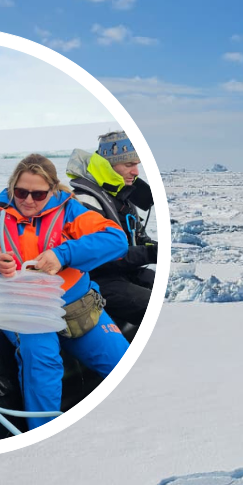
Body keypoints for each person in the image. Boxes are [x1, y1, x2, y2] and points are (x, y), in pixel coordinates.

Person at [0, 153, 129, 429]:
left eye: (38, 194)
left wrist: (63, 254)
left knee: (123, 362)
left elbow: (116, 239)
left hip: (77, 309)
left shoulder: (70, 210)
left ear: (52, 190)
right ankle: (43, 437)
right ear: (12, 188)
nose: (28, 200)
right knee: (43, 365)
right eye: (21, 192)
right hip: (27, 314)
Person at [66, 131, 157, 334]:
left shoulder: (121, 196)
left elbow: (139, 238)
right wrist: (151, 253)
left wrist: (153, 248)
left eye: (137, 165)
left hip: (124, 273)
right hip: (95, 281)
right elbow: (102, 257)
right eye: (129, 165)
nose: (136, 172)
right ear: (108, 164)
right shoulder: (84, 201)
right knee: (153, 306)